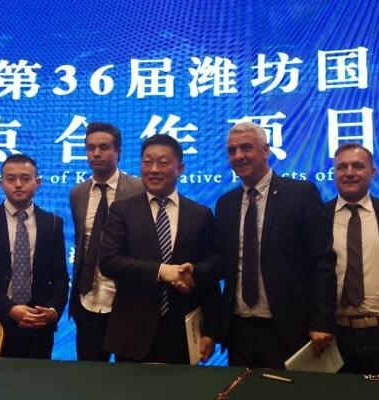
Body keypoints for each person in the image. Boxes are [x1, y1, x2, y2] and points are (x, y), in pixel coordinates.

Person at [214, 122, 336, 369]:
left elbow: (322, 261)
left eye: (246, 147)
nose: (238, 156)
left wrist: (321, 322)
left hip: (288, 329)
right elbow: (223, 263)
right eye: (232, 150)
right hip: (239, 330)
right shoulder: (226, 204)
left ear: (266, 150)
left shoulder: (301, 194)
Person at [99, 134, 221, 364]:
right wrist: (162, 271)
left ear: (180, 169)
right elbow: (109, 261)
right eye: (147, 162)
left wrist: (210, 332)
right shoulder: (121, 211)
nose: (154, 169)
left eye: (163, 163)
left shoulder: (200, 214)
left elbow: (214, 270)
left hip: (184, 335)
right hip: (132, 334)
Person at [0, 154, 69, 359]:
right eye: (11, 179)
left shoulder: (53, 223)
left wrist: (53, 311)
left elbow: (60, 278)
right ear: (1, 183)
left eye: (25, 178)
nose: (18, 184)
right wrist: (10, 309)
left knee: (33, 378)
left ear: (38, 183)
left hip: (36, 325)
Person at [326, 143, 379, 376]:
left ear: (372, 172)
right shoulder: (318, 216)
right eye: (342, 167)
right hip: (334, 335)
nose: (349, 172)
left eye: (358, 166)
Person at [69, 122, 143, 361]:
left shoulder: (138, 189)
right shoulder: (78, 193)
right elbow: (82, 243)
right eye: (90, 148)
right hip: (88, 299)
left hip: (127, 302)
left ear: (118, 152)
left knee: (127, 376)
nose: (96, 153)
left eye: (103, 147)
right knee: (89, 375)